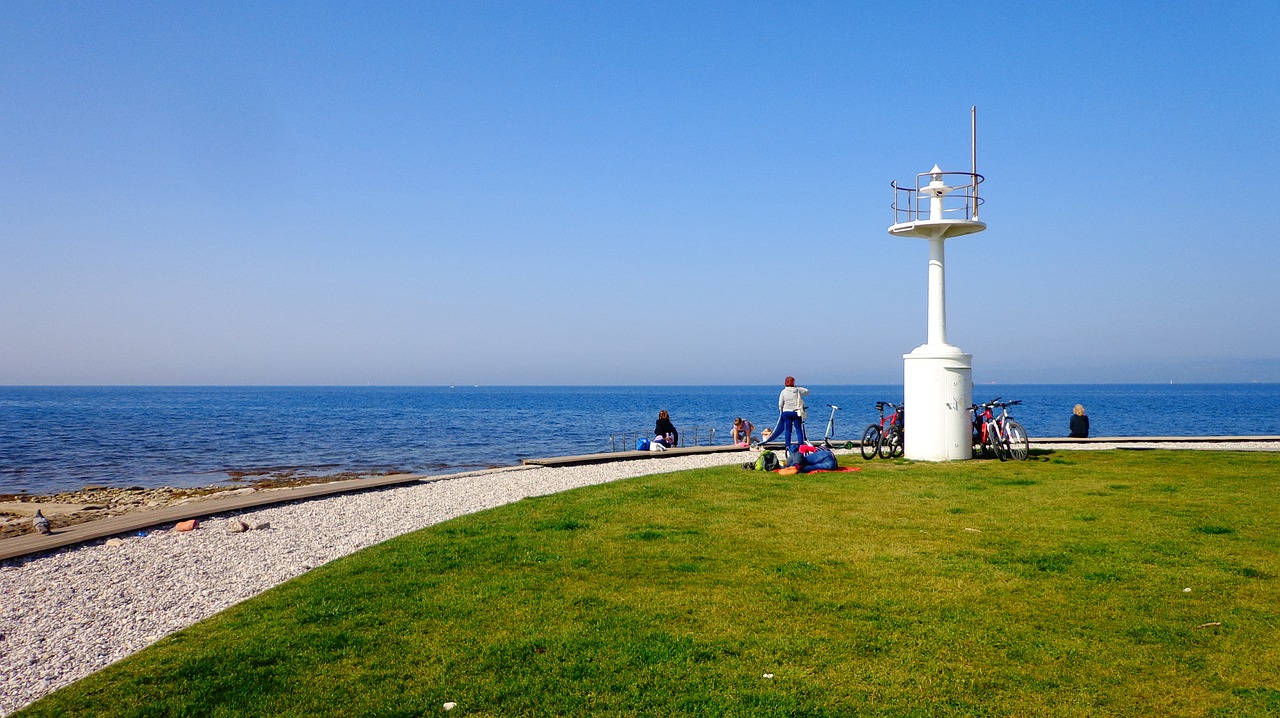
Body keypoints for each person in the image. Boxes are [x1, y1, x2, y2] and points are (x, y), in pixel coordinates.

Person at [777, 376, 809, 453]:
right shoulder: (797, 390)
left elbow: (780, 404)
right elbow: (807, 391)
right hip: (796, 412)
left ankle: (787, 445)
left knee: (788, 429)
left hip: (786, 412)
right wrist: (797, 387)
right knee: (798, 429)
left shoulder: (783, 392)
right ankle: (801, 445)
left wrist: (781, 411)